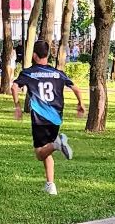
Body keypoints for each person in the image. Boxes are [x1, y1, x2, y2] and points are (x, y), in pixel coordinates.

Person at [12, 39, 84, 195]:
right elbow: (77, 89)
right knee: (46, 149)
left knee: (40, 153)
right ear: (48, 55)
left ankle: (57, 144)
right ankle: (50, 185)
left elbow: (14, 86)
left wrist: (17, 106)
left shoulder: (29, 73)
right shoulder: (58, 73)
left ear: (35, 55)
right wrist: (80, 104)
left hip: (40, 118)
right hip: (56, 118)